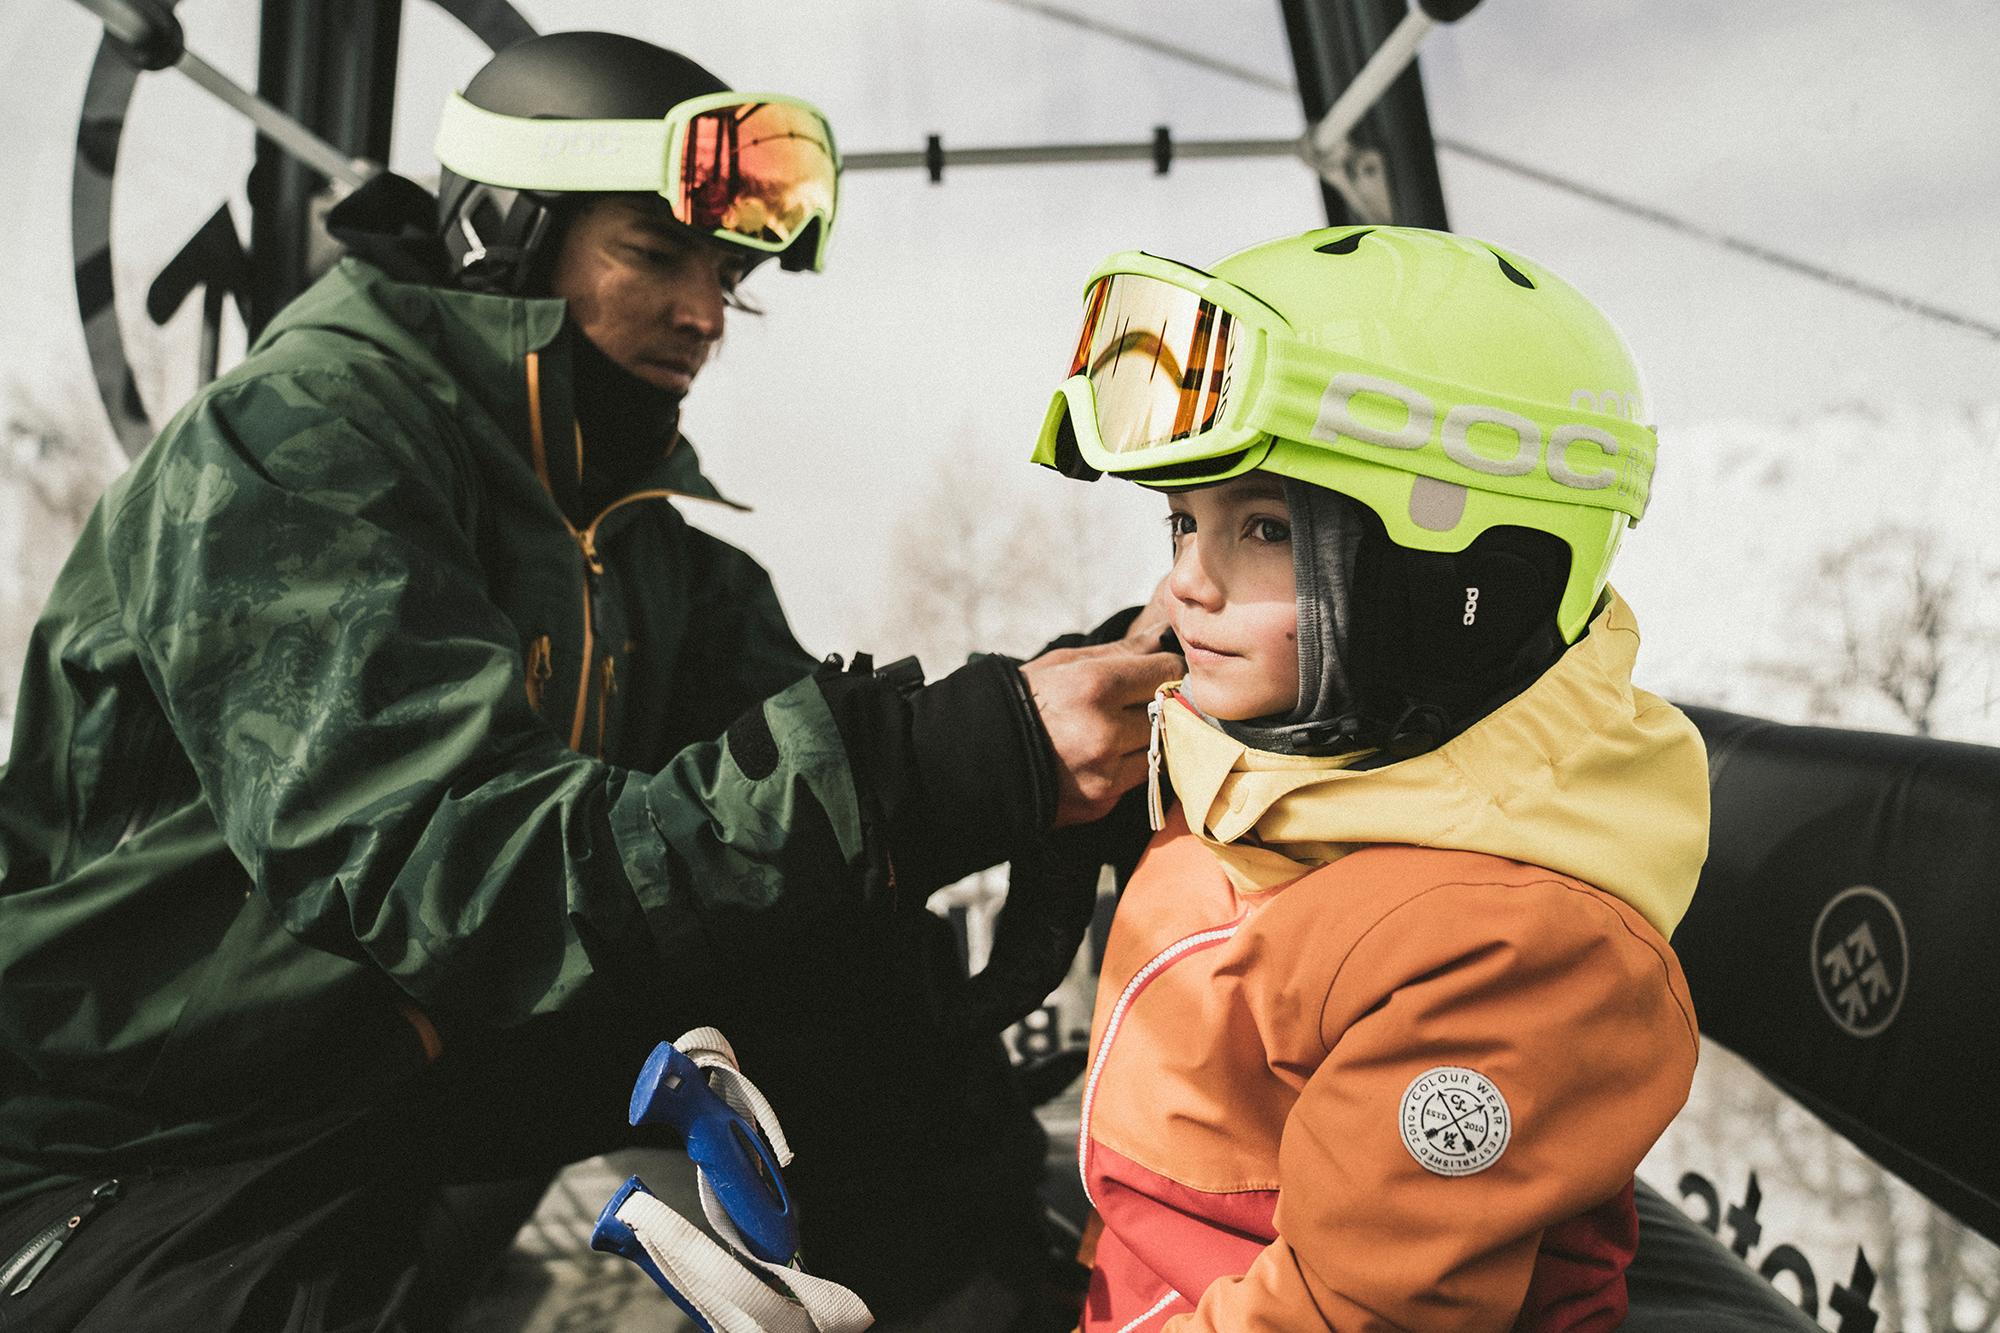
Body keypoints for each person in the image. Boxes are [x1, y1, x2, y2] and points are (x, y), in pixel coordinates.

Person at [0, 31, 1177, 1331]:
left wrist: (1059, 719)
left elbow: (833, 789)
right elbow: (456, 870)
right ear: (502, 235)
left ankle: (1003, 1296)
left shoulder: (635, 544)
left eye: (727, 275)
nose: (705, 314)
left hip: (417, 1077)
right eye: (656, 254)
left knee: (829, 943)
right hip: (160, 1139)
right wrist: (933, 765)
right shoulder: (298, 446)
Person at [1033, 226, 1712, 1329]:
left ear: (1457, 585)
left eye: (1263, 528)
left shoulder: (1509, 945)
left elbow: (1345, 1312)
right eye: (1181, 521)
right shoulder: (1276, 771)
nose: (1185, 580)